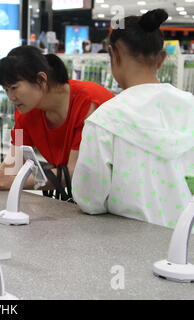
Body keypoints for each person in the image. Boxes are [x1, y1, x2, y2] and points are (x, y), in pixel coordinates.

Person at [72, 9, 194, 229]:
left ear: (114, 54)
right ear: (162, 58)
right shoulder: (190, 106)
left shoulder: (105, 119)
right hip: (186, 243)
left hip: (130, 243)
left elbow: (89, 199)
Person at [0, 45, 115, 197]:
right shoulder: (24, 113)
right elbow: (13, 161)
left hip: (115, 199)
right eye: (6, 90)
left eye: (14, 87)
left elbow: (75, 171)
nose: (10, 97)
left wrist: (17, 181)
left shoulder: (88, 103)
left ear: (41, 79)